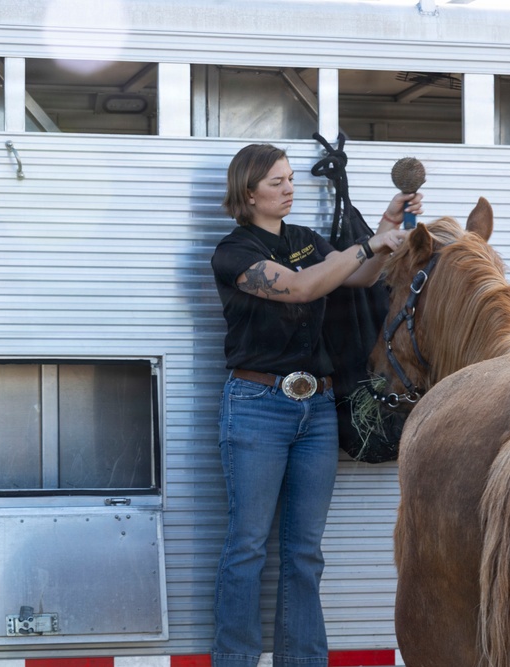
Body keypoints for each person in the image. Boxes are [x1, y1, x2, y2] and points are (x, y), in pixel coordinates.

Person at [209, 144, 421, 667]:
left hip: (318, 409)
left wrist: (388, 224)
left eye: (290, 178)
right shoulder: (233, 252)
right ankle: (234, 659)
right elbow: (303, 288)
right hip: (257, 405)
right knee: (247, 547)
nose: (289, 188)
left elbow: (358, 277)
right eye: (276, 182)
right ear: (247, 193)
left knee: (304, 552)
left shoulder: (305, 238)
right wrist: (368, 243)